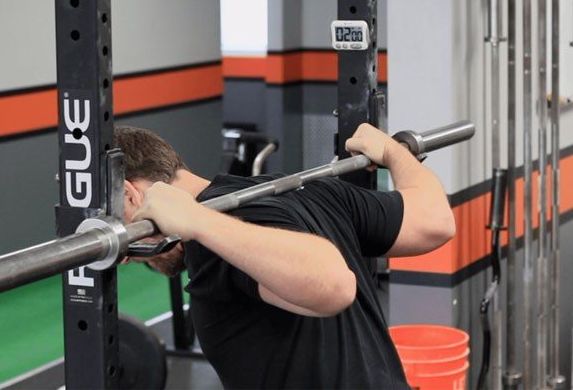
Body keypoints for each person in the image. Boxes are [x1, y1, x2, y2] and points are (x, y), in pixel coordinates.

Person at [115, 124, 455, 389]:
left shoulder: (213, 242)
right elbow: (434, 220)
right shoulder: (307, 193)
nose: (126, 259)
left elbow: (334, 285)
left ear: (131, 196)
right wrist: (395, 153)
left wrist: (199, 221)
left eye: (121, 235)